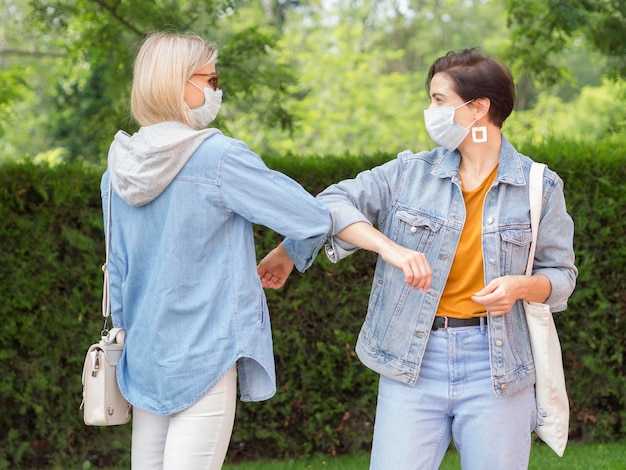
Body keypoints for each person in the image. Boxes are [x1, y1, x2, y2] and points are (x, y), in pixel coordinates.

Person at [257, 48, 577, 469]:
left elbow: (561, 274)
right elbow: (333, 203)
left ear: (479, 108)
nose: (430, 111)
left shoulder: (540, 187)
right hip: (414, 357)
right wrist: (383, 249)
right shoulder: (409, 173)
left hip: (497, 367)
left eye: (439, 100)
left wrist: (522, 287)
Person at [101, 32, 331, 469]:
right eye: (209, 78)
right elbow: (313, 217)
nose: (215, 90)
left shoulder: (117, 169)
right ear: (178, 84)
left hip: (144, 357)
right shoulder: (219, 158)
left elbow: (119, 274)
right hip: (208, 351)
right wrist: (288, 253)